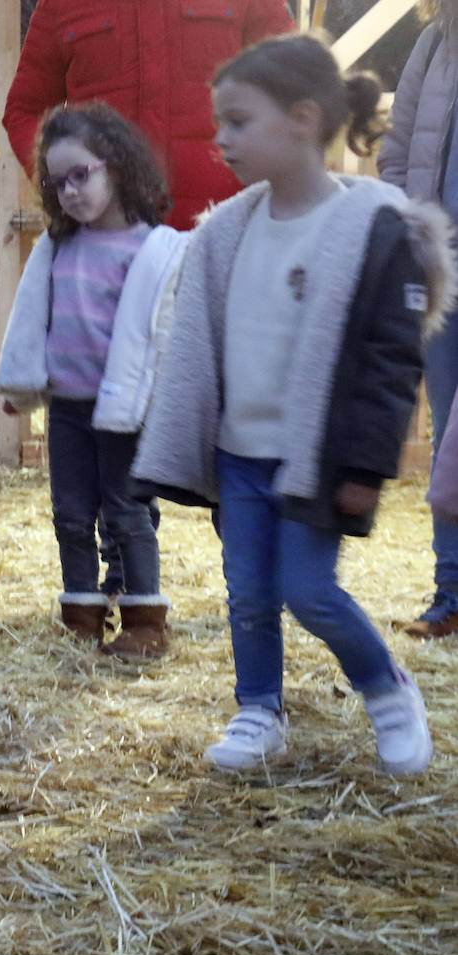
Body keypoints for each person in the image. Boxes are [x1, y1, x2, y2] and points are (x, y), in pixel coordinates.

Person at [133, 34, 455, 776]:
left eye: (240, 122)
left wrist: (366, 465)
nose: (222, 139)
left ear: (304, 119)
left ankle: (388, 687)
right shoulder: (226, 231)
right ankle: (257, 710)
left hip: (315, 456)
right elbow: (195, 342)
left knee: (307, 592)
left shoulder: (373, 231)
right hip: (240, 454)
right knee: (247, 593)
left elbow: (388, 361)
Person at [0, 102, 185, 658]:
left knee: (127, 513)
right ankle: (81, 613)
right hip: (69, 408)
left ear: (117, 166)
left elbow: (163, 332)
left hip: (123, 411)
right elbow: (35, 320)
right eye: (57, 183)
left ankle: (145, 620)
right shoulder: (58, 246)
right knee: (71, 514)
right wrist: (23, 385)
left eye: (81, 175)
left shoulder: (151, 248)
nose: (69, 192)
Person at [3, 0, 295, 231]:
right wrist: (68, 186)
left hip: (226, 236)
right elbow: (24, 111)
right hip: (108, 244)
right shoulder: (61, 4)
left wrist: (270, 196)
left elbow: (292, 87)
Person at [378, 0, 458, 638]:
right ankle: (450, 596)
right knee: (445, 433)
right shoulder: (436, 41)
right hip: (446, 270)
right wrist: (414, 225)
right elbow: (399, 144)